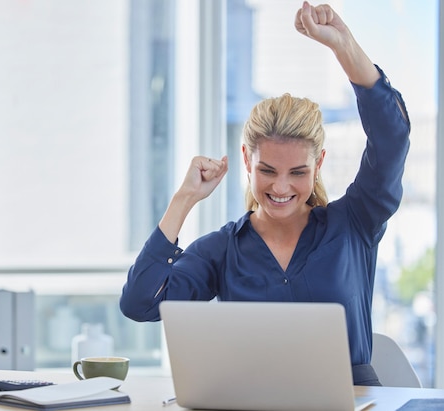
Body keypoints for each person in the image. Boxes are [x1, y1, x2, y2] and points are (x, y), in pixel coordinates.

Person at [119, 1, 410, 387]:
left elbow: (392, 138)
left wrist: (343, 47)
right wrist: (183, 200)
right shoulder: (222, 249)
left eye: (298, 172)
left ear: (319, 164)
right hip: (255, 400)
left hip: (353, 402)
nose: (281, 188)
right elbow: (140, 303)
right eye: (267, 171)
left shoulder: (354, 222)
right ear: (246, 160)